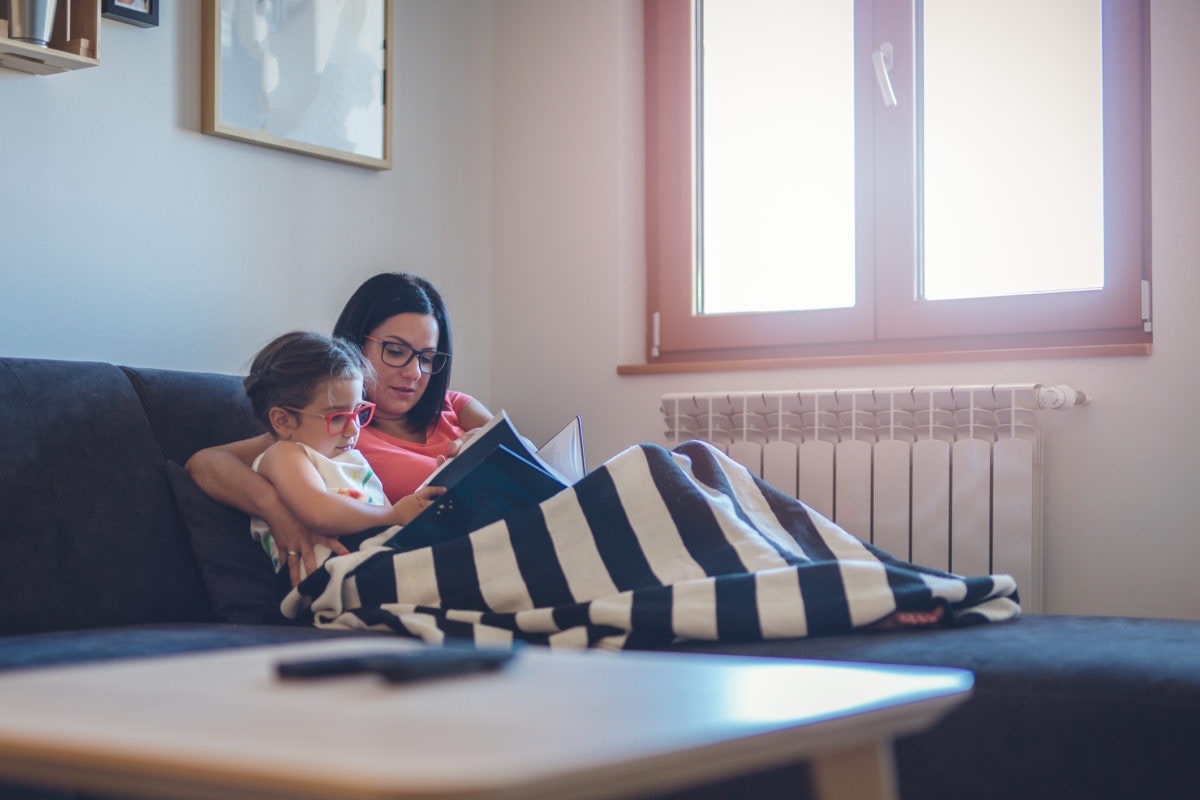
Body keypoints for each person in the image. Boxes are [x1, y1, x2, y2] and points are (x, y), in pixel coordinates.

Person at [186, 273, 492, 586]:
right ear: (357, 345)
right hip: (426, 564)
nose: (414, 372)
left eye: (427, 358)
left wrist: (483, 448)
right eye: (396, 351)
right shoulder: (324, 432)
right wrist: (276, 510)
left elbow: (520, 452)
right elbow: (206, 463)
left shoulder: (456, 406)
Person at [239, 331, 446, 578]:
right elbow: (318, 512)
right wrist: (396, 514)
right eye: (337, 417)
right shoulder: (285, 453)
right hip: (334, 574)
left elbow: (391, 526)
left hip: (375, 559)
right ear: (283, 421)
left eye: (358, 412)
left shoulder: (353, 460)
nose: (353, 429)